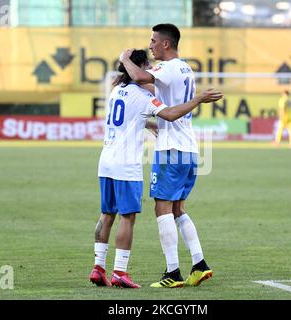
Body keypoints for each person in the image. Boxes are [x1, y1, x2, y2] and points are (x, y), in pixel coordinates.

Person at [89, 49, 222, 289]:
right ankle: (120, 271)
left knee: (107, 215)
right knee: (128, 217)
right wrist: (198, 100)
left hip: (105, 161)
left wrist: (148, 123)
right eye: (147, 65)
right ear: (137, 67)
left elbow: (129, 116)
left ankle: (98, 268)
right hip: (128, 164)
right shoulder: (145, 96)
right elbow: (170, 113)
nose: (151, 68)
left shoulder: (116, 90)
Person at [119, 23, 214, 288]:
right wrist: (147, 123)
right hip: (189, 148)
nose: (150, 45)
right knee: (178, 209)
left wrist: (125, 59)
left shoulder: (167, 68)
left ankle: (172, 272)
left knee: (161, 209)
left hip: (170, 149)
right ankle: (199, 264)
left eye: (153, 41)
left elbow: (139, 78)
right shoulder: (185, 68)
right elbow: (159, 94)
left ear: (166, 44)